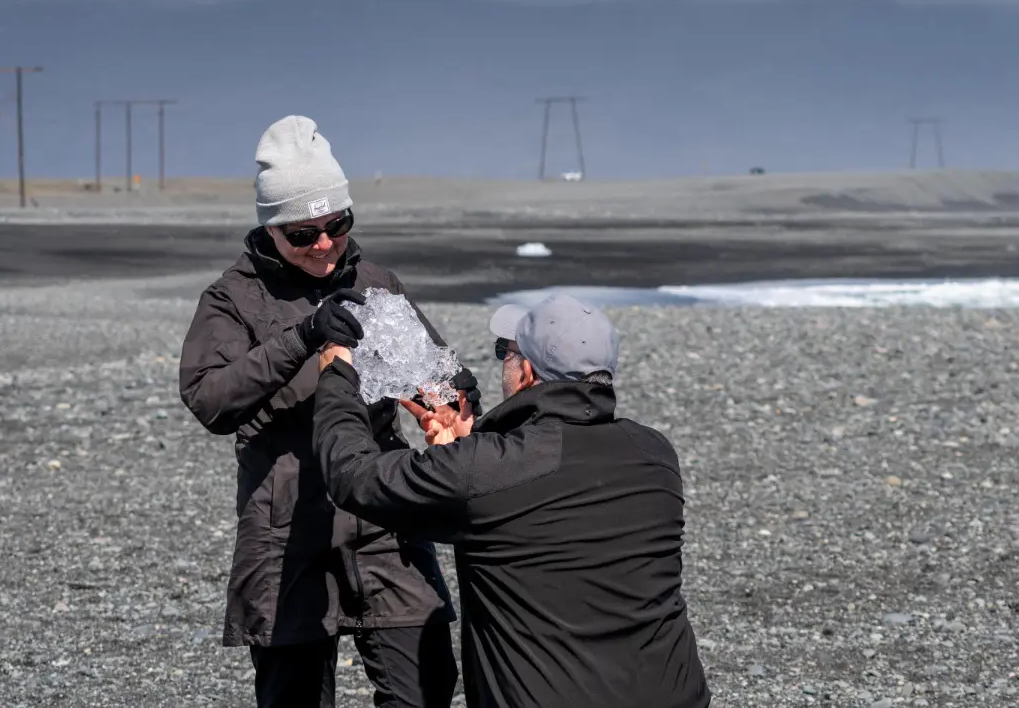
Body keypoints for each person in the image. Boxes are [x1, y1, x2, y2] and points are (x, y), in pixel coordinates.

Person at [178, 115, 481, 708]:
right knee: (293, 696)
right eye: (303, 232)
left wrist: (453, 398)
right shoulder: (232, 297)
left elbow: (437, 372)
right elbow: (210, 400)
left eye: (337, 225)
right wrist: (302, 339)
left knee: (426, 686)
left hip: (383, 511)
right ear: (271, 230)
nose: (323, 244)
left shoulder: (376, 283)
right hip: (285, 523)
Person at [310, 293, 711, 708]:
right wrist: (471, 445)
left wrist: (338, 370)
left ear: (527, 374)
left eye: (506, 351)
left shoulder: (487, 470)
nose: (502, 358)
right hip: (673, 693)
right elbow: (538, 500)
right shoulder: (654, 453)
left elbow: (353, 476)